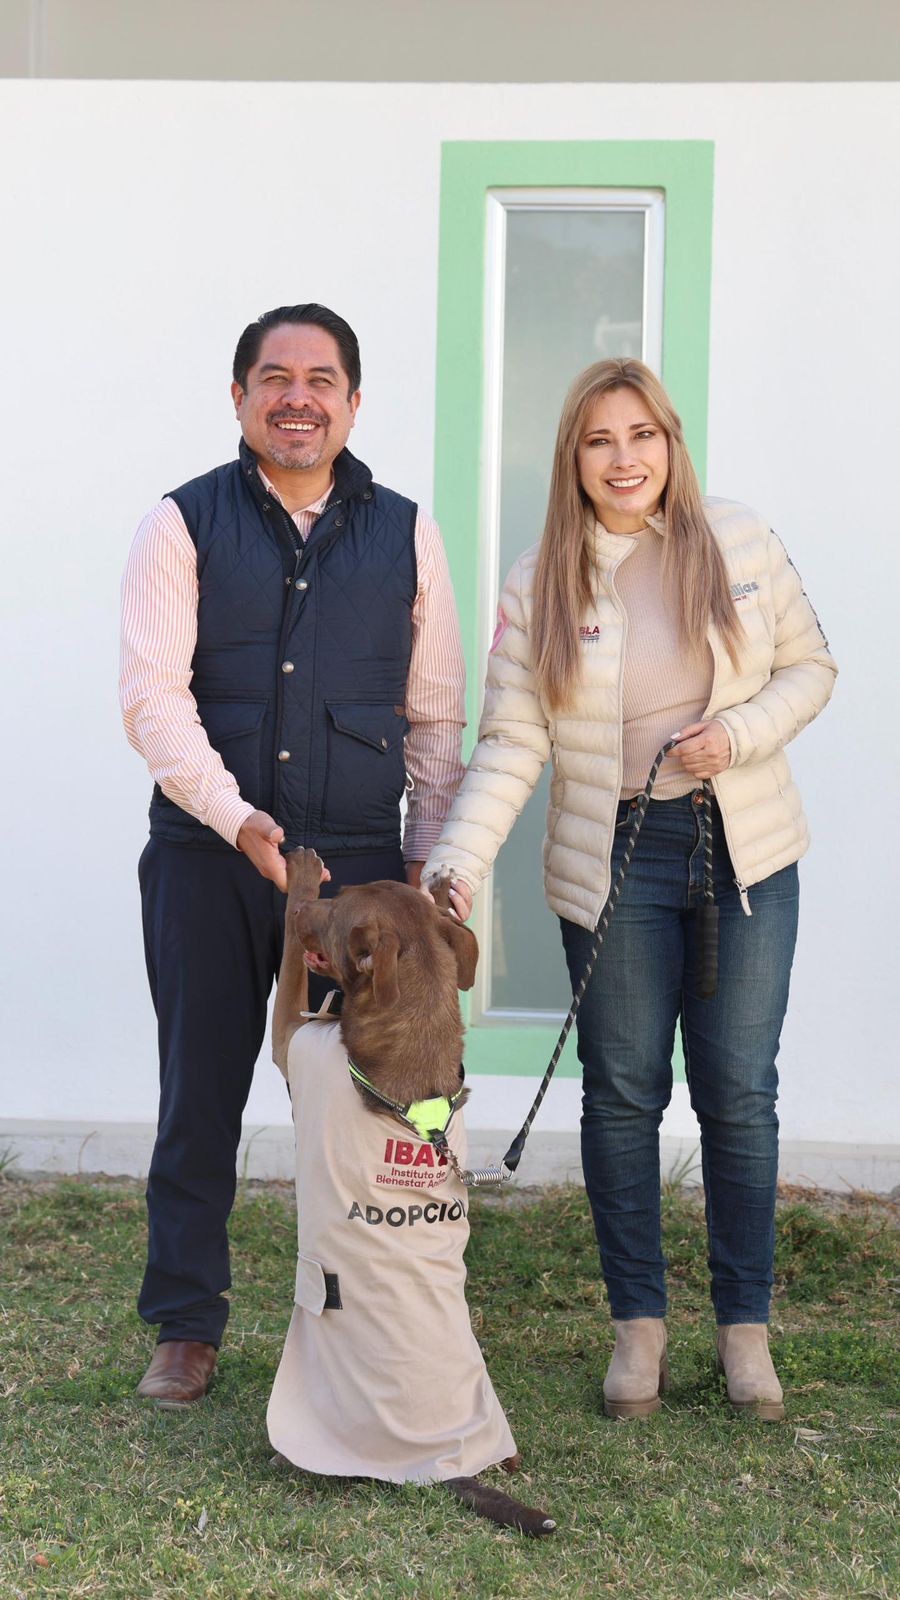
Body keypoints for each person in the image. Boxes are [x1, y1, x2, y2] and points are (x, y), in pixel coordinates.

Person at [422, 358, 836, 1423]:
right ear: (574, 457)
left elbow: (811, 668)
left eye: (641, 435)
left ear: (671, 442)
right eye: (600, 440)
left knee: (739, 1092)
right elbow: (512, 743)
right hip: (615, 858)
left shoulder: (739, 538)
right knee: (621, 1093)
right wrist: (456, 865)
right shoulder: (540, 582)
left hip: (746, 852)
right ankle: (638, 1331)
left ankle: (745, 1333)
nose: (624, 459)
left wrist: (737, 733)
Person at [120, 303, 466, 1406]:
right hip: (209, 856)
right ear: (240, 397)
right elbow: (153, 701)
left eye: (322, 379)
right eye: (275, 377)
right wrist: (238, 819)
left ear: (354, 403)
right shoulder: (180, 523)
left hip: (363, 876)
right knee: (200, 1090)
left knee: (377, 1097)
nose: (298, 397)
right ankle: (186, 1322)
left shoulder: (407, 531)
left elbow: (434, 718)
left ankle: (377, 1309)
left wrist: (429, 869)